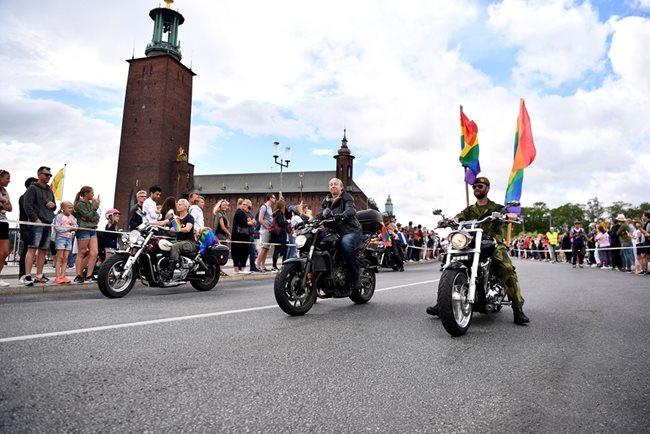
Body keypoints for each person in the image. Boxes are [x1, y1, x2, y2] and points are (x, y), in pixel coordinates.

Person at [426, 177, 530, 325]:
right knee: (451, 263)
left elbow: (508, 214)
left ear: (487, 188)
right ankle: (443, 303)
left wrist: (510, 215)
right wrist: (447, 221)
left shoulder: (497, 208)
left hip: (493, 243)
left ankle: (518, 309)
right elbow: (458, 218)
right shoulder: (469, 210)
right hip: (472, 243)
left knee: (507, 269)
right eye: (474, 186)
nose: (476, 188)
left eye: (480, 186)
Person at [315, 178, 363, 289]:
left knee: (345, 243)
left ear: (341, 187)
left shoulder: (346, 197)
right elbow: (320, 214)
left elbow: (351, 210)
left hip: (350, 231)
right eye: (330, 184)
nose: (333, 186)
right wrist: (310, 222)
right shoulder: (326, 200)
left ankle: (356, 276)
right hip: (334, 231)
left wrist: (341, 215)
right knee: (317, 239)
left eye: (335, 184)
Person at [23, 166, 57, 286]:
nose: (48, 177)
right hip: (36, 223)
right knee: (32, 248)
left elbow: (55, 207)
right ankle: (27, 276)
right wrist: (35, 219)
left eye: (50, 175)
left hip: (47, 223)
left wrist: (53, 206)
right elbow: (27, 205)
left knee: (43, 250)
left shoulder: (50, 190)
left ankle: (39, 275)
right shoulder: (32, 188)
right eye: (46, 174)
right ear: (39, 175)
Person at [73, 186, 100, 283]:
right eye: (92, 193)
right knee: (82, 252)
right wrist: (94, 207)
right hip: (84, 229)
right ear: (86, 194)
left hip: (92, 229)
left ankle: (89, 275)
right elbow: (88, 215)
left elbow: (96, 218)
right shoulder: (80, 204)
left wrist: (91, 215)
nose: (93, 195)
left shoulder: (89, 205)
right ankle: (78, 275)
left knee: (94, 252)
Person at [164, 198, 195, 276]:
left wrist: (176, 229)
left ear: (185, 206)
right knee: (165, 244)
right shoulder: (176, 218)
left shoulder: (189, 217)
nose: (177, 205)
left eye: (180, 204)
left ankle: (170, 271)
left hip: (189, 242)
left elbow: (187, 229)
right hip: (178, 240)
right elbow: (163, 222)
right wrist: (148, 223)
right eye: (177, 204)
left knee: (175, 246)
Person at [17, 177, 38, 282]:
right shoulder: (24, 197)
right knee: (26, 251)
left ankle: (29, 274)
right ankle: (22, 274)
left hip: (34, 227)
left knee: (31, 251)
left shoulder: (33, 197)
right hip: (26, 228)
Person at [52, 201, 77, 284]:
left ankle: (63, 276)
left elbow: (76, 226)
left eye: (71, 208)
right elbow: (57, 228)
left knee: (65, 258)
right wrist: (68, 229)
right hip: (61, 238)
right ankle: (57, 276)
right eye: (69, 207)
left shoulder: (72, 217)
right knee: (60, 257)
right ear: (63, 208)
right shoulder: (59, 216)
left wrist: (73, 230)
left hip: (69, 238)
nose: (71, 209)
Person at [255, 193, 277, 272]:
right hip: (265, 230)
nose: (275, 199)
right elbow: (260, 219)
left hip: (269, 230)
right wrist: (267, 227)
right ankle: (257, 265)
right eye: (274, 198)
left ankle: (263, 265)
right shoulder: (264, 207)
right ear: (270, 198)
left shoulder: (270, 208)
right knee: (264, 247)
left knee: (267, 248)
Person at [231, 198, 251, 274]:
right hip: (240, 236)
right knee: (240, 252)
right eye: (244, 204)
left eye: (246, 204)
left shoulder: (242, 213)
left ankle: (240, 268)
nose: (245, 206)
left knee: (242, 252)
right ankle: (240, 268)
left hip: (241, 235)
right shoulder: (239, 213)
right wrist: (250, 222)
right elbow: (243, 223)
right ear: (240, 205)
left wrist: (250, 222)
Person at [0, 169, 12, 287]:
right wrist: (4, 202)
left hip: (3, 222)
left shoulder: (4, 191)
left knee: (4, 252)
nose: (9, 181)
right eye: (7, 178)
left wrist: (3, 202)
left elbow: (9, 207)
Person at [270, 199, 288, 271]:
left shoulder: (275, 213)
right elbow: (280, 223)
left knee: (276, 250)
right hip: (280, 235)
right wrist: (287, 222)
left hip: (276, 235)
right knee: (283, 249)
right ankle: (281, 264)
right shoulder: (280, 213)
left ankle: (274, 265)